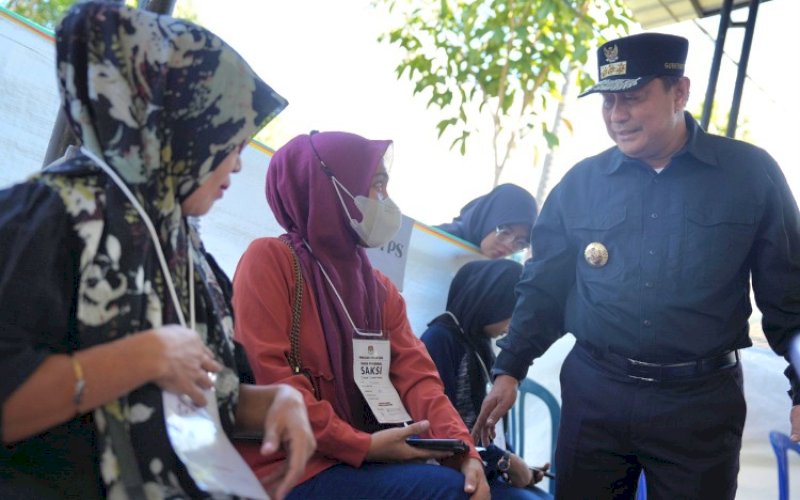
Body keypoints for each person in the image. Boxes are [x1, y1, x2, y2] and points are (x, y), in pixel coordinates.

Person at [0, 3, 315, 499]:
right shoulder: (51, 214)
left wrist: (277, 401)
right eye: (229, 138)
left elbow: (203, 397)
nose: (237, 161)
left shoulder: (181, 241)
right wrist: (142, 357)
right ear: (177, 122)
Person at [472, 32, 800, 499]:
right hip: (596, 393)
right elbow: (543, 287)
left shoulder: (750, 176)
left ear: (680, 92)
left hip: (699, 405)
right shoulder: (580, 185)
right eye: (607, 102)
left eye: (632, 98)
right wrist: (510, 368)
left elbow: (790, 299)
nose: (616, 116)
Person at [232, 131, 490, 499]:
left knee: (493, 487)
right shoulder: (270, 261)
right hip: (292, 467)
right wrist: (361, 445)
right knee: (448, 494)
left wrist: (463, 451)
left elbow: (419, 381)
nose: (385, 201)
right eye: (376, 185)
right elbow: (273, 382)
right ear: (328, 186)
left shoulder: (380, 289)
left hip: (366, 460)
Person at [421, 260, 551, 500]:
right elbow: (438, 428)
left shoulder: (480, 345)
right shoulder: (440, 339)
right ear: (493, 301)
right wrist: (504, 461)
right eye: (513, 313)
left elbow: (491, 429)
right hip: (457, 467)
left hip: (486, 463)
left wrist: (517, 465)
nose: (513, 327)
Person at [435, 183, 538, 259]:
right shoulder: (436, 241)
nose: (509, 246)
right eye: (505, 232)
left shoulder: (495, 269)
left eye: (520, 242)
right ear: (487, 220)